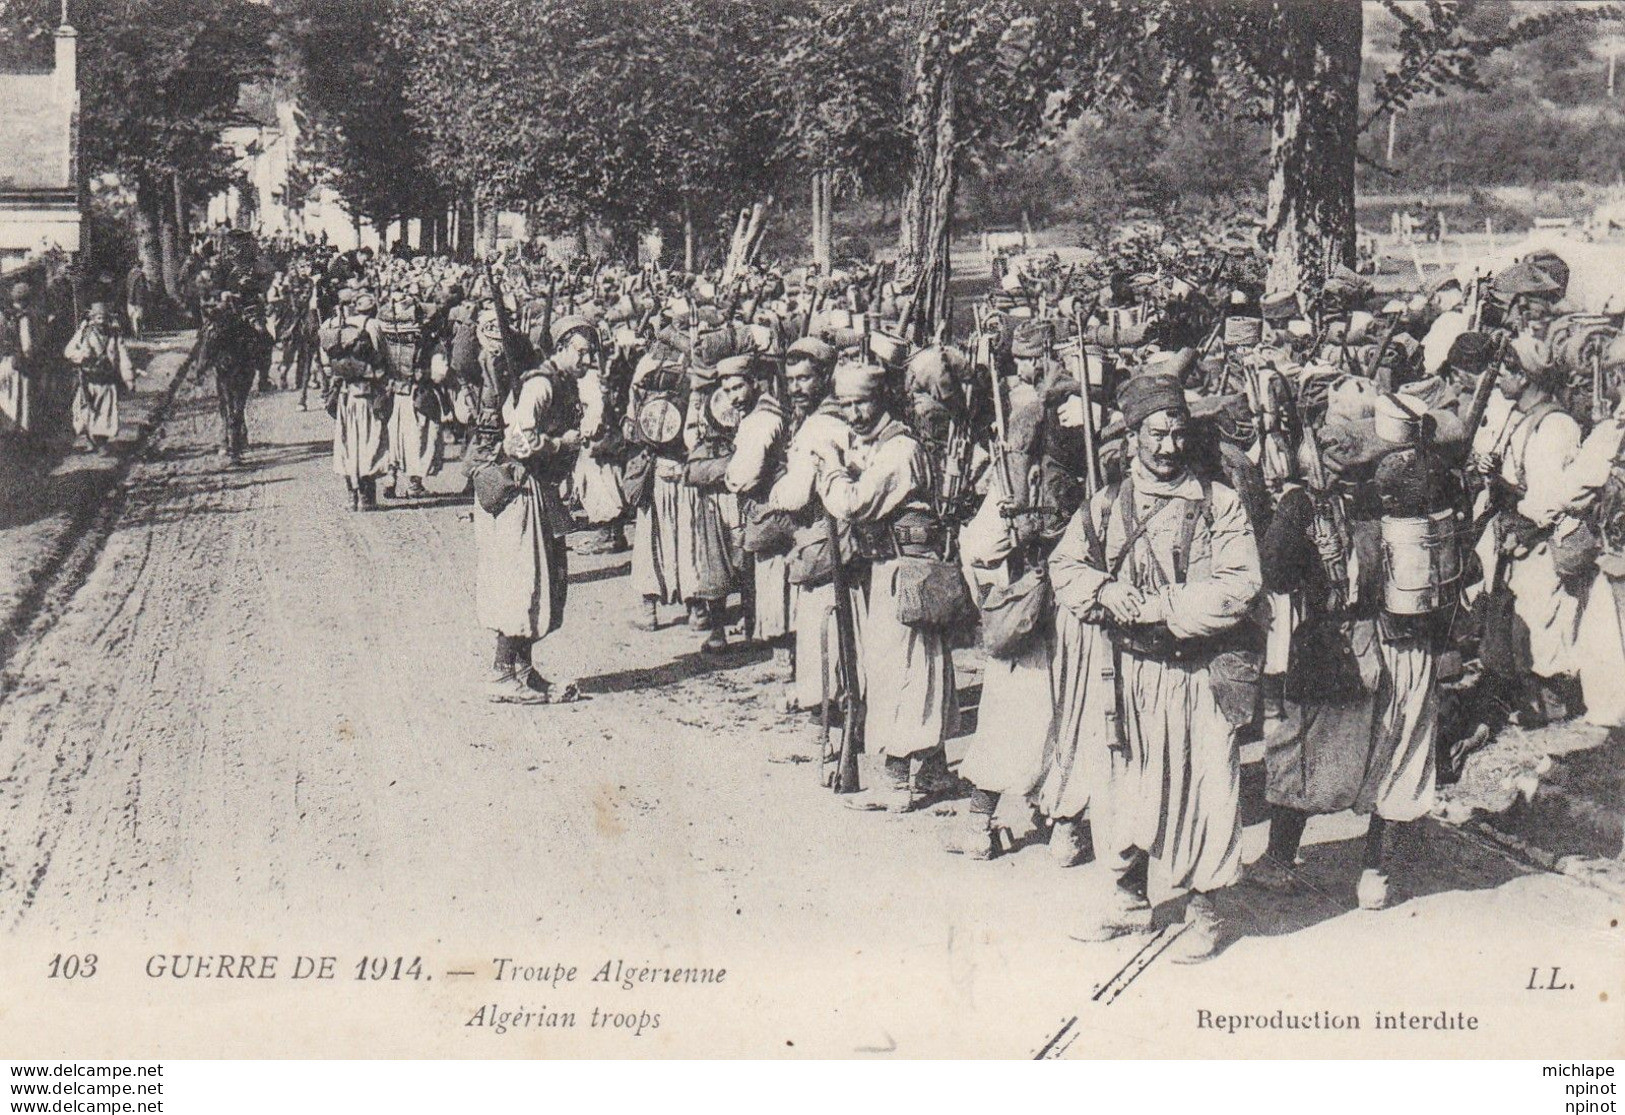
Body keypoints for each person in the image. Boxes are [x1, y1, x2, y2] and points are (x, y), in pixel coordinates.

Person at [1048, 371, 1261, 962]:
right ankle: (1127, 903)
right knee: (1125, 788)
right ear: (1133, 435)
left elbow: (1241, 584)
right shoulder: (1108, 504)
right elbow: (1064, 567)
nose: (1167, 448)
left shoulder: (1220, 504)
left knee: (1205, 788)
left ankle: (1206, 912)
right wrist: (1101, 589)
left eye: (1177, 435)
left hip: (1197, 674)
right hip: (1126, 675)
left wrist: (1163, 607)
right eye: (1155, 435)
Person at [815, 360, 959, 812]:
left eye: (863, 403)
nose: (855, 414)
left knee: (904, 670)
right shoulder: (882, 445)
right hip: (892, 567)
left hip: (905, 569)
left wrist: (833, 471)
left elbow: (853, 504)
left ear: (882, 401)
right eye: (848, 405)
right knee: (909, 669)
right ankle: (930, 769)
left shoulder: (900, 450)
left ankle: (901, 779)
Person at [469, 313, 588, 703]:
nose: (588, 360)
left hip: (539, 490)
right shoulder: (540, 385)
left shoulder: (562, 382)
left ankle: (522, 669)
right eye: (582, 352)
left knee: (541, 580)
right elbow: (519, 441)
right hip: (520, 492)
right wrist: (561, 443)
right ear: (562, 347)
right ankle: (504, 674)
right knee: (522, 580)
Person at [321, 289, 390, 510]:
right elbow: (383, 358)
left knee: (347, 444)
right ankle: (367, 497)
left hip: (345, 395)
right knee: (369, 443)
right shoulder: (374, 326)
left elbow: (327, 362)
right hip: (367, 393)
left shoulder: (337, 328)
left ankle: (352, 497)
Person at [64, 302, 135, 453]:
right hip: (87, 379)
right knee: (86, 412)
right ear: (92, 318)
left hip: (107, 379)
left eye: (103, 318)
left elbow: (123, 356)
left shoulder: (114, 335)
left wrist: (128, 378)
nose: (100, 321)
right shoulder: (84, 333)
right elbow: (69, 351)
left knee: (105, 412)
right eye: (97, 317)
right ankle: (90, 440)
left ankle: (102, 443)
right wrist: (82, 356)